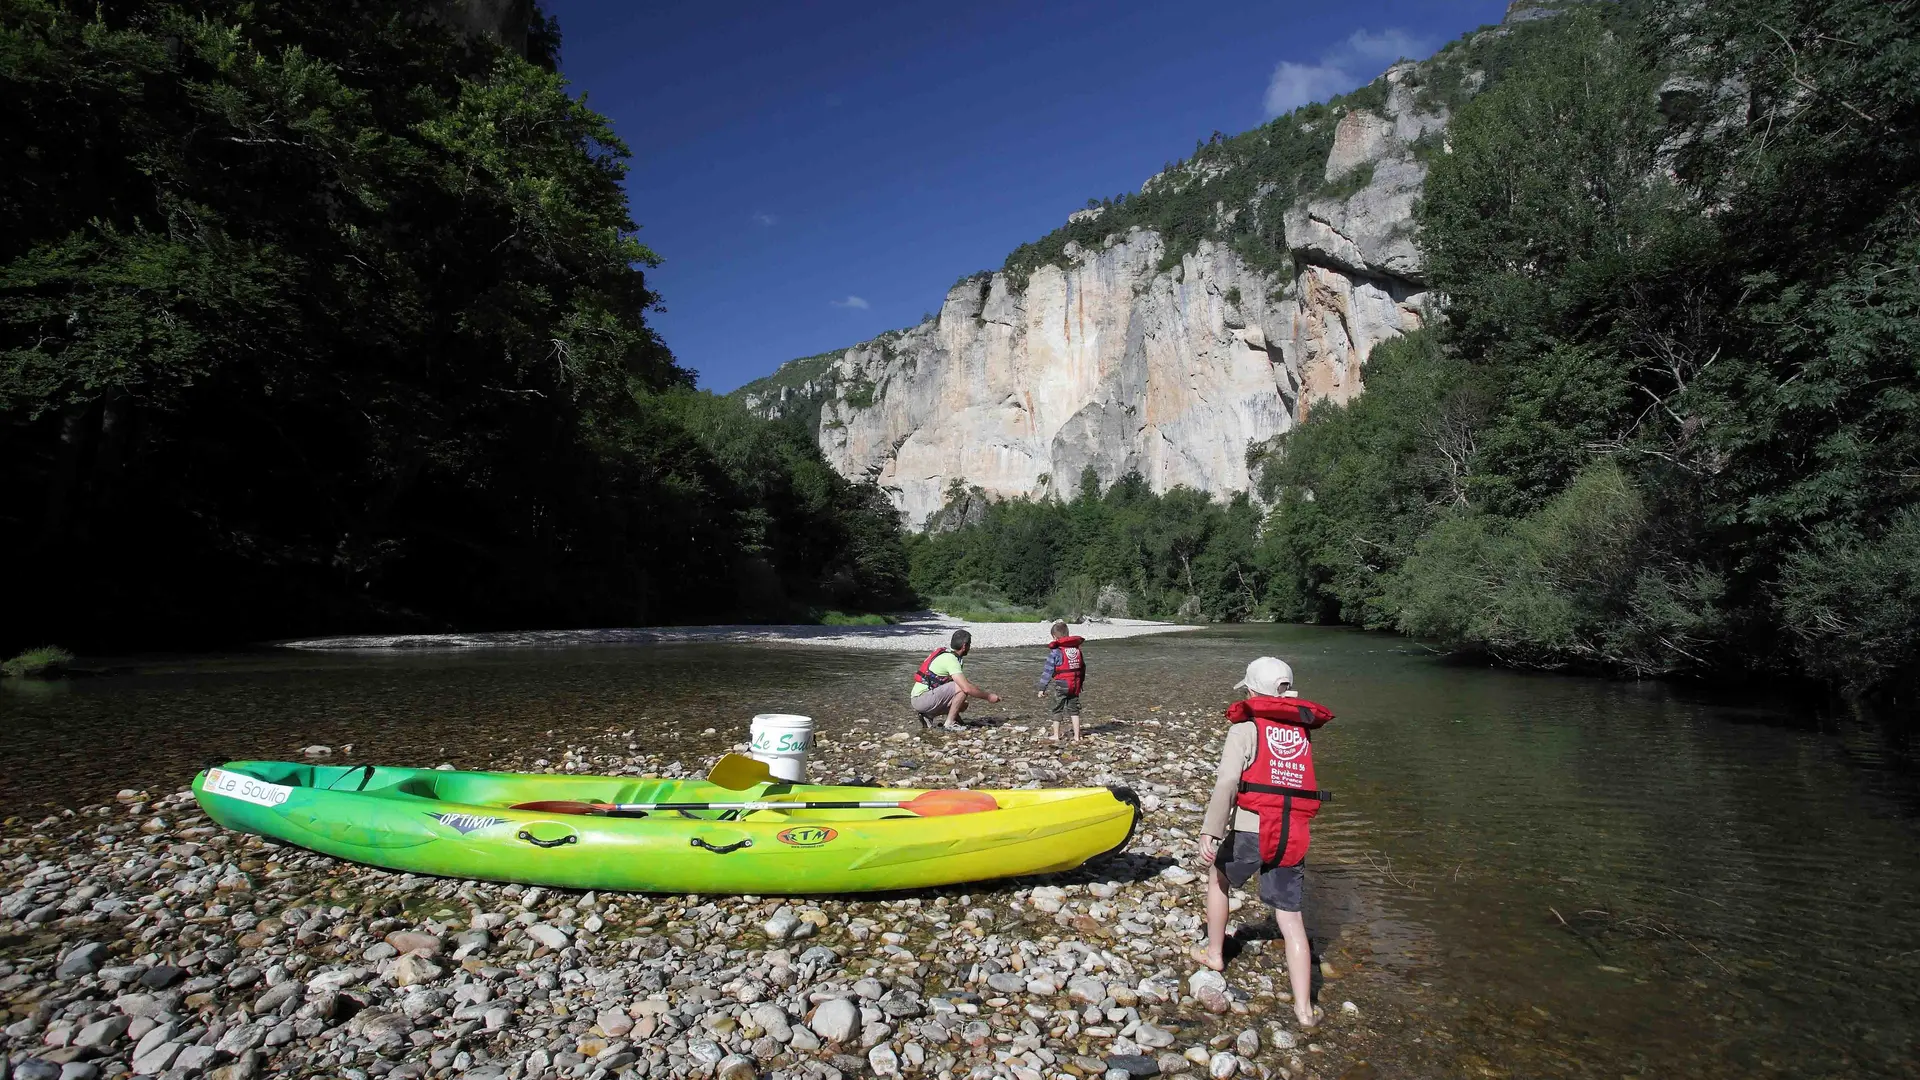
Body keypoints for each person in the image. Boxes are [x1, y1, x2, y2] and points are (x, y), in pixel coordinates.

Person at [1196, 656, 1336, 1030]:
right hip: (1293, 833)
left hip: (1252, 830)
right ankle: (1304, 1010)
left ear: (1252, 691)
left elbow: (1228, 782)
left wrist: (1211, 830)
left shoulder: (1245, 728)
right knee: (1290, 917)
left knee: (1218, 879)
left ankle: (1214, 954)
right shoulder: (1300, 732)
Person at [911, 629, 999, 730]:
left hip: (919, 699)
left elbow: (960, 687)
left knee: (962, 704)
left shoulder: (947, 655)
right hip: (922, 699)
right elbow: (966, 688)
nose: (969, 648)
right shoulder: (951, 660)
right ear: (964, 646)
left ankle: (928, 715)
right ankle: (950, 723)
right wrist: (988, 697)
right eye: (969, 645)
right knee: (962, 688)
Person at [1035, 620, 1087, 742]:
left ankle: (1056, 735)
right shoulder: (1077, 651)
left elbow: (1047, 671)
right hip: (1075, 685)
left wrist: (1042, 688)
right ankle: (1077, 736)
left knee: (1057, 708)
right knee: (1074, 710)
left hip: (1062, 685)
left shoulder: (1056, 652)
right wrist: (1080, 683)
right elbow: (1083, 668)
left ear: (1054, 637)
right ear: (1067, 635)